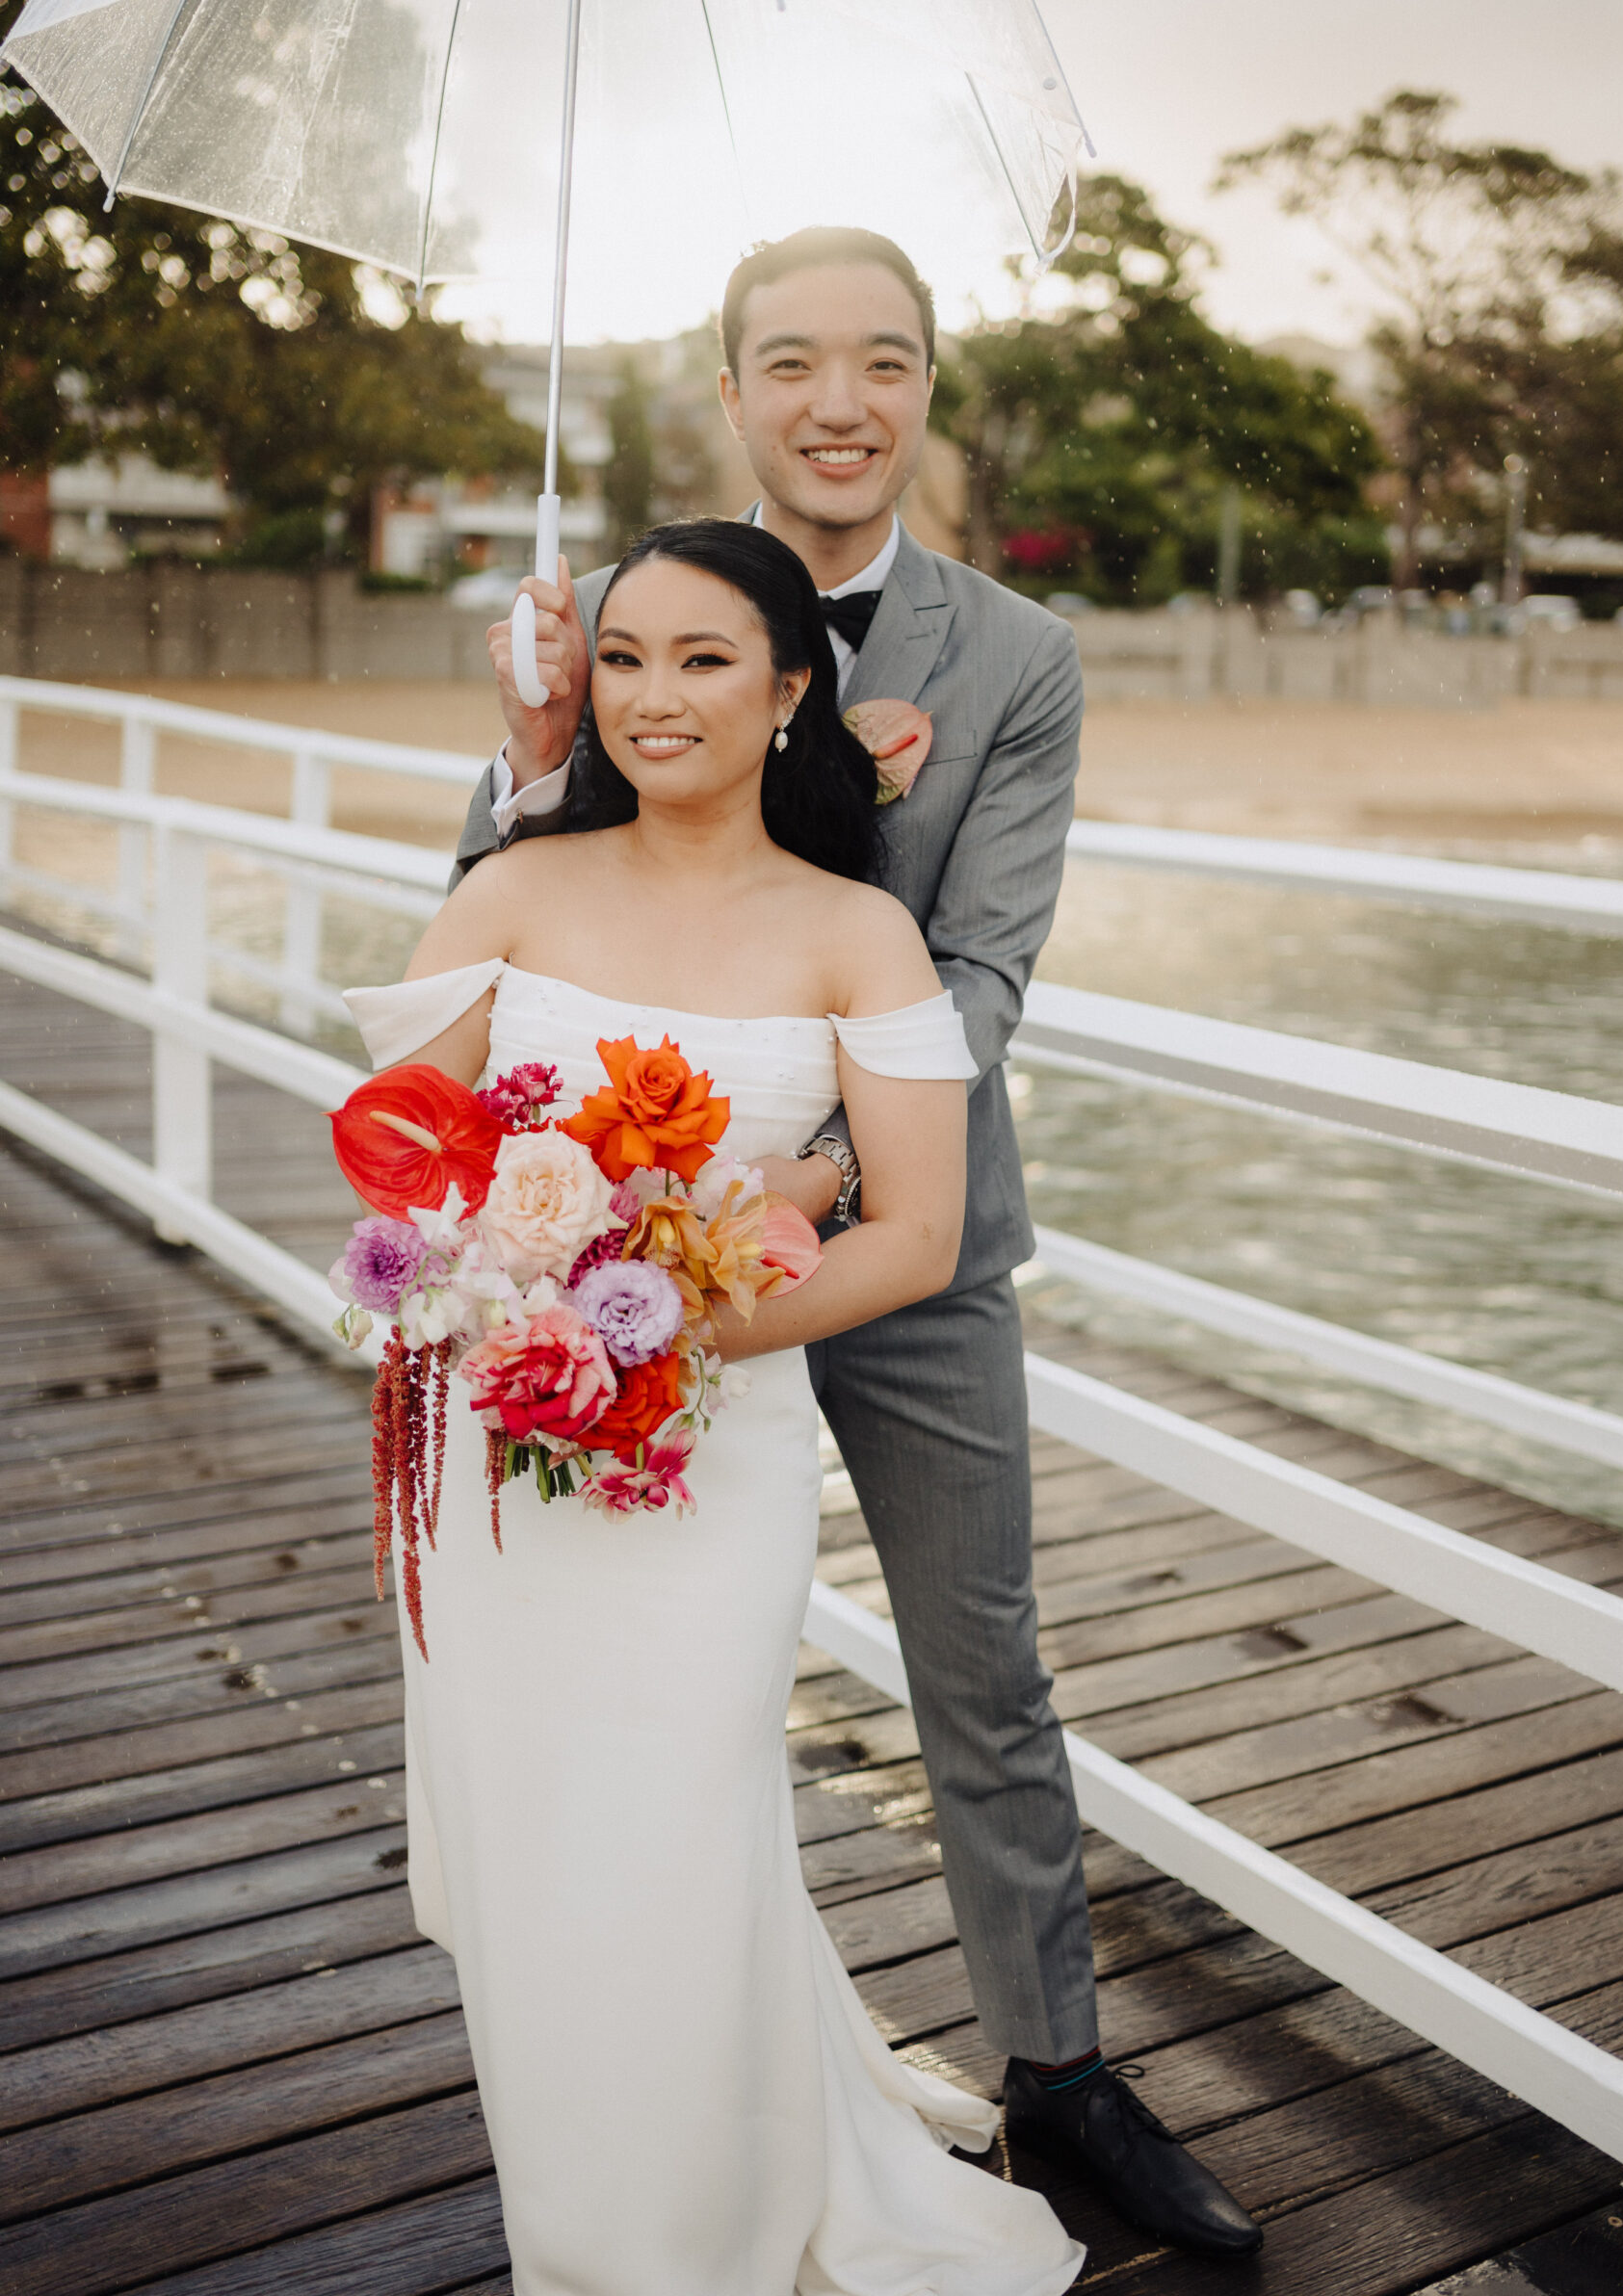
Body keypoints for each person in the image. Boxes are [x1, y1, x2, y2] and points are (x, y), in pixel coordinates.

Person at [451, 228, 1261, 2262]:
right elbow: (498, 918)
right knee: (647, 1688)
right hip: (616, 1253)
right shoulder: (635, 616)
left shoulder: (1015, 658)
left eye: (881, 360)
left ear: (923, 393)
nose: (835, 397)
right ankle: (672, 2063)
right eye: (788, 360)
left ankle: (1059, 2075)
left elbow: (981, 963)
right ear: (729, 390)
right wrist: (535, 744)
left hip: (894, 1229)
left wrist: (813, 1171)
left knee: (978, 1660)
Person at [345, 520, 1086, 2293]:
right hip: (499, 1471)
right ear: (575, 684)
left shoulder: (858, 933)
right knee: (540, 1857)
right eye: (622, 659)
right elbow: (393, 1148)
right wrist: (503, 1284)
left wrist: (665, 1346)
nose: (657, 696)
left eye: (702, 659)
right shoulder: (518, 887)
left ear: (788, 690)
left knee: (675, 1831)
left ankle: (684, 2247)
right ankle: (589, 2229)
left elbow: (910, 1233)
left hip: (706, 1464)